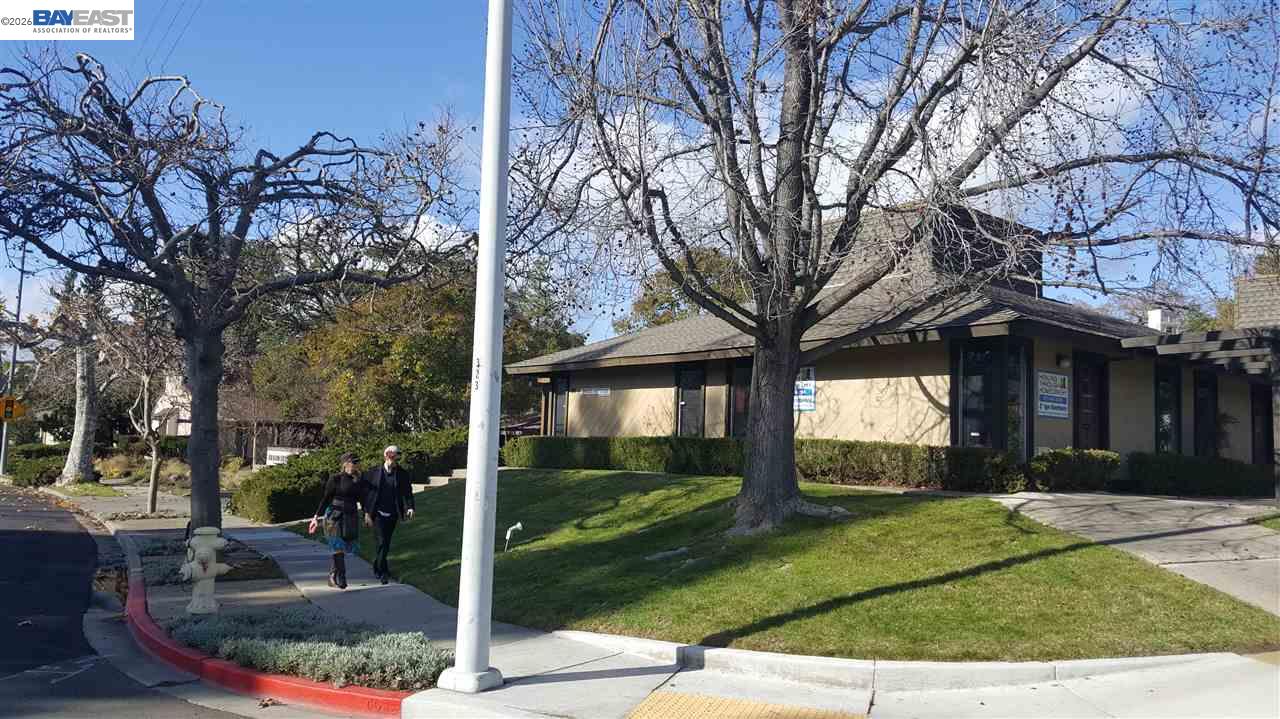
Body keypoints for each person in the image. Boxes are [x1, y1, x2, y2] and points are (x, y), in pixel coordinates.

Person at [310, 452, 366, 589]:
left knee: (343, 547)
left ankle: (332, 575)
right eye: (353, 462)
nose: (356, 465)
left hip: (350, 516)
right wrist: (316, 517)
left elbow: (363, 499)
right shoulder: (335, 479)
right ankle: (342, 577)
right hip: (334, 516)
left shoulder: (358, 480)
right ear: (345, 463)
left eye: (357, 462)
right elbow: (326, 498)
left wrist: (367, 514)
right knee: (338, 546)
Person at [362, 444, 414, 584]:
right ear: (385, 456)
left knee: (385, 543)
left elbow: (407, 492)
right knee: (381, 541)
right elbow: (365, 494)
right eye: (390, 457)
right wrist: (366, 513)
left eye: (395, 458)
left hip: (393, 513)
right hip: (377, 513)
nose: (392, 461)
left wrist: (410, 507)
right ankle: (382, 572)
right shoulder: (373, 473)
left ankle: (378, 566)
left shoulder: (402, 474)